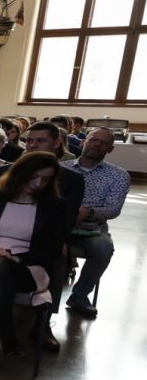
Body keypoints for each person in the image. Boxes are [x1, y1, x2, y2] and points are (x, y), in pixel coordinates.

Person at [0, 152, 69, 373]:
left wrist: (15, 257)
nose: (38, 184)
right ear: (20, 173)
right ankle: (7, 333)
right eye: (34, 177)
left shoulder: (55, 206)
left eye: (45, 179)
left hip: (27, 267)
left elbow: (52, 249)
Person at [62, 127, 130, 319]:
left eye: (104, 143)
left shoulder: (118, 175)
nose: (97, 144)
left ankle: (80, 295)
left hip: (91, 228)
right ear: (84, 142)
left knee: (103, 248)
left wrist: (88, 212)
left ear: (110, 149)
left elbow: (113, 209)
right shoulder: (62, 168)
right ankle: (41, 295)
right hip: (58, 224)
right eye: (94, 139)